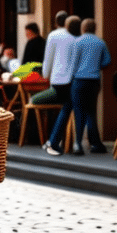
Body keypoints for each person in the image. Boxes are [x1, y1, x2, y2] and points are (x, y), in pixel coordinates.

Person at [68, 18, 111, 155]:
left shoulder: (77, 42)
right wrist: (96, 67)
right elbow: (107, 61)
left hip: (79, 80)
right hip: (94, 80)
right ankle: (95, 144)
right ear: (95, 28)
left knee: (79, 112)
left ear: (83, 28)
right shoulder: (100, 42)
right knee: (91, 112)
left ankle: (77, 144)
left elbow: (73, 63)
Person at [41, 11, 76, 155]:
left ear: (56, 22)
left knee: (64, 107)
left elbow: (48, 58)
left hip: (56, 78)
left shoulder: (53, 35)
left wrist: (45, 74)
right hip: (71, 78)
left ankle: (52, 141)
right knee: (67, 107)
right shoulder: (75, 36)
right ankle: (54, 142)